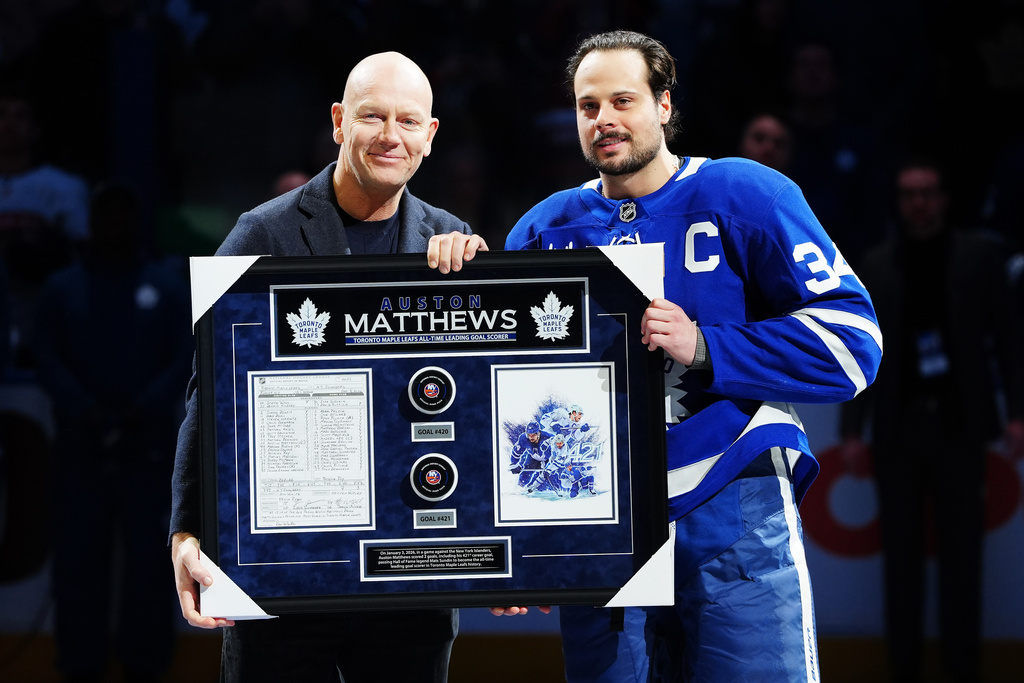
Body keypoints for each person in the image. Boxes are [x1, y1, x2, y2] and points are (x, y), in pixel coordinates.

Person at [500, 30, 882, 681]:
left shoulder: (745, 193)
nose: (605, 119)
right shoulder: (541, 230)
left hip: (732, 490)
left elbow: (854, 344)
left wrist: (708, 345)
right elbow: (505, 397)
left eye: (623, 99)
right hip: (599, 520)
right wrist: (519, 542)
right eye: (587, 105)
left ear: (665, 105)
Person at [169, 52, 486, 682]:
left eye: (407, 120)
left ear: (430, 135)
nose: (390, 136)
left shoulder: (451, 240)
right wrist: (185, 533)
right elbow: (210, 393)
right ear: (340, 121)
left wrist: (486, 285)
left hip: (409, 575)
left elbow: (473, 415)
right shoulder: (260, 234)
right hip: (282, 572)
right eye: (373, 116)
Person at [840, 157, 1024, 683]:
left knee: (963, 559)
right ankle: (905, 668)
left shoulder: (978, 258)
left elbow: (1009, 343)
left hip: (959, 427)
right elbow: (860, 353)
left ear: (943, 198)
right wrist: (853, 428)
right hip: (897, 431)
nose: (919, 204)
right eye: (909, 195)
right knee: (900, 559)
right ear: (899, 202)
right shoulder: (875, 264)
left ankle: (963, 667)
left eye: (927, 193)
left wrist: (1016, 415)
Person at [34, 182, 190, 682]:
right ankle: (80, 666)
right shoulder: (62, 288)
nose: (116, 225)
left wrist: (139, 410)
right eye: (107, 214)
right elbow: (46, 356)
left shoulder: (165, 285)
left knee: (150, 569)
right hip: (81, 449)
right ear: (92, 222)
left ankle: (145, 667)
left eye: (126, 214)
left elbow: (183, 356)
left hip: (146, 450)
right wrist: (85, 411)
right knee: (79, 568)